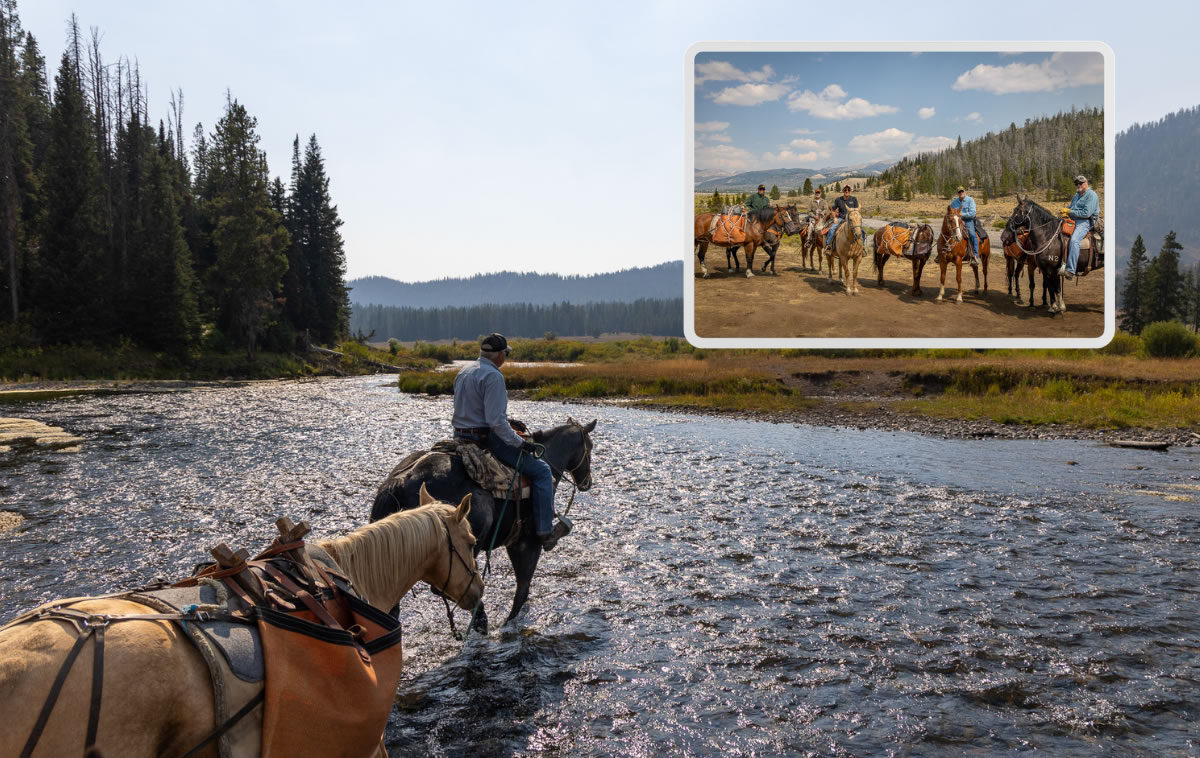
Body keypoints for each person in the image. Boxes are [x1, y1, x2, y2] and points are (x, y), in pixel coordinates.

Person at [452, 333, 567, 551]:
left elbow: (474, 409)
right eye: (505, 353)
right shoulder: (494, 376)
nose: (505, 357)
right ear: (499, 355)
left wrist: (508, 421)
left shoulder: (464, 371)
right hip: (485, 440)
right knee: (542, 471)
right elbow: (496, 423)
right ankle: (545, 532)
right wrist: (521, 444)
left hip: (458, 437)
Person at [1059, 175, 1099, 280]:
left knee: (1074, 240)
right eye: (1076, 184)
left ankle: (1070, 270)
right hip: (1073, 220)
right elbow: (1071, 207)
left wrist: (1069, 211)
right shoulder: (1076, 195)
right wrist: (1065, 212)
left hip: (1085, 222)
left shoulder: (1092, 195)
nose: (1078, 185)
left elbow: (1086, 213)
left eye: (1080, 183)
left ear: (1086, 183)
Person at [825, 184, 864, 251]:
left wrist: (856, 218)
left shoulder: (854, 199)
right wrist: (835, 218)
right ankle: (828, 246)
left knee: (861, 231)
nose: (847, 191)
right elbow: (833, 210)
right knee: (832, 229)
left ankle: (862, 247)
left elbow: (856, 210)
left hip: (851, 219)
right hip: (841, 218)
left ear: (850, 191)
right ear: (843, 191)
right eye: (845, 190)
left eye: (848, 190)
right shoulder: (838, 200)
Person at [949, 186, 980, 264]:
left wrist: (961, 215)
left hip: (968, 221)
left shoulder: (970, 200)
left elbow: (973, 213)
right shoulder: (954, 202)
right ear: (957, 193)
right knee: (946, 232)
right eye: (959, 192)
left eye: (962, 191)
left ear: (965, 192)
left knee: (972, 235)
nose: (961, 193)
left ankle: (975, 255)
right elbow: (950, 212)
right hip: (956, 221)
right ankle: (942, 252)